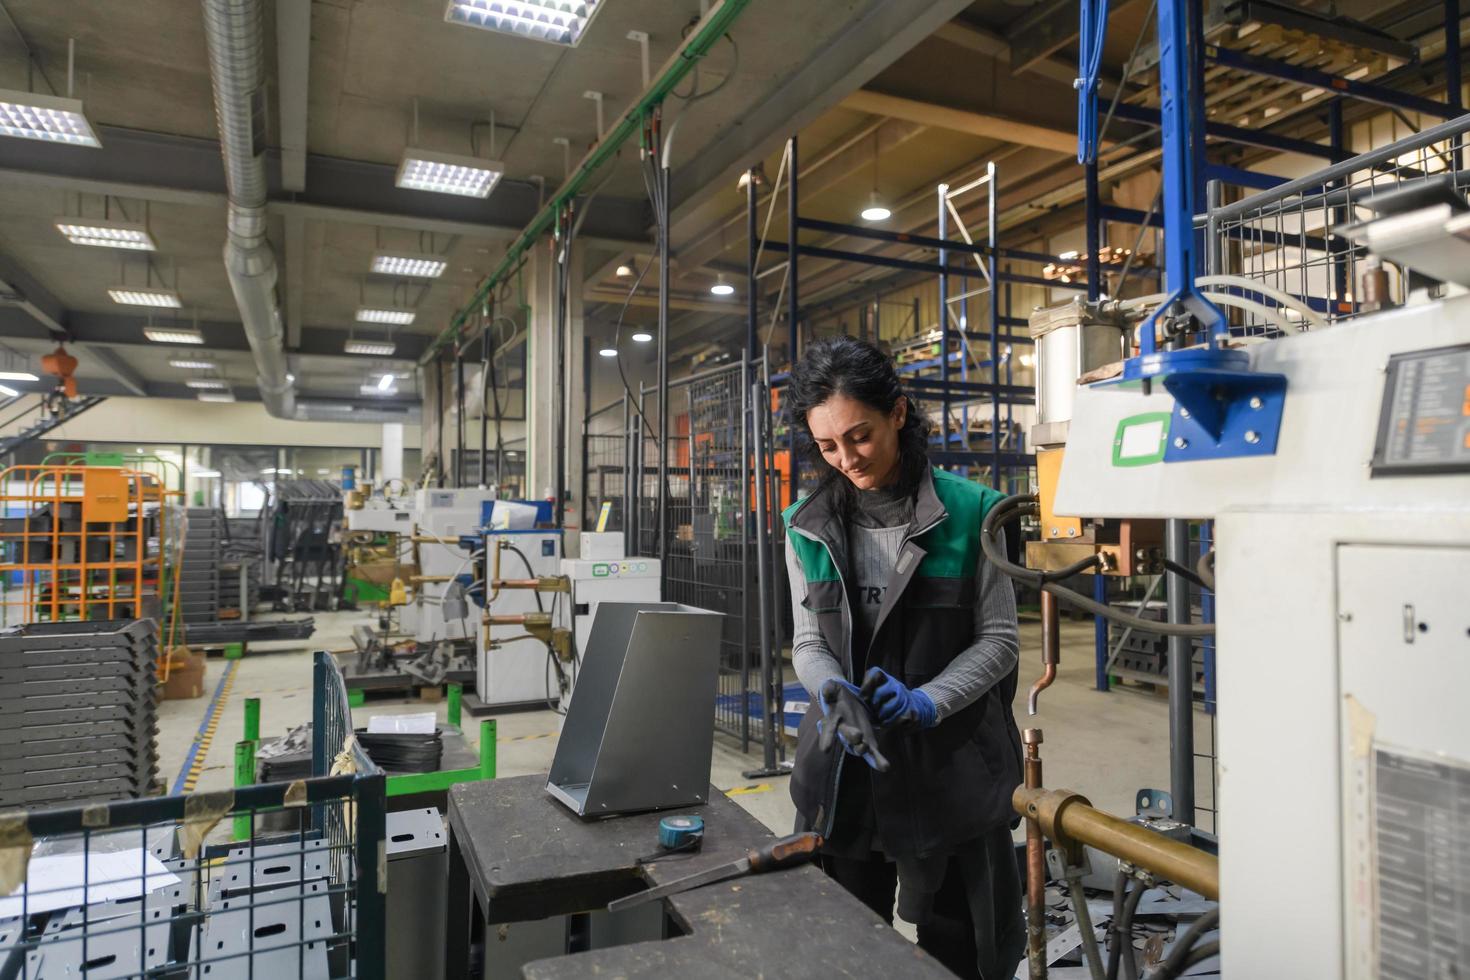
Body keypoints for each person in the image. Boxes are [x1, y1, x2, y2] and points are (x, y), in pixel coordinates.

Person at [782, 335, 1025, 979]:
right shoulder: (804, 523)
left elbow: (999, 641)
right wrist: (829, 688)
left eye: (859, 436)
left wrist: (927, 701)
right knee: (847, 953)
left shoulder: (974, 512)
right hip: (844, 775)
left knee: (963, 955)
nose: (847, 460)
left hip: (952, 776)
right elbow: (808, 638)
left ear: (898, 411)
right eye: (828, 446)